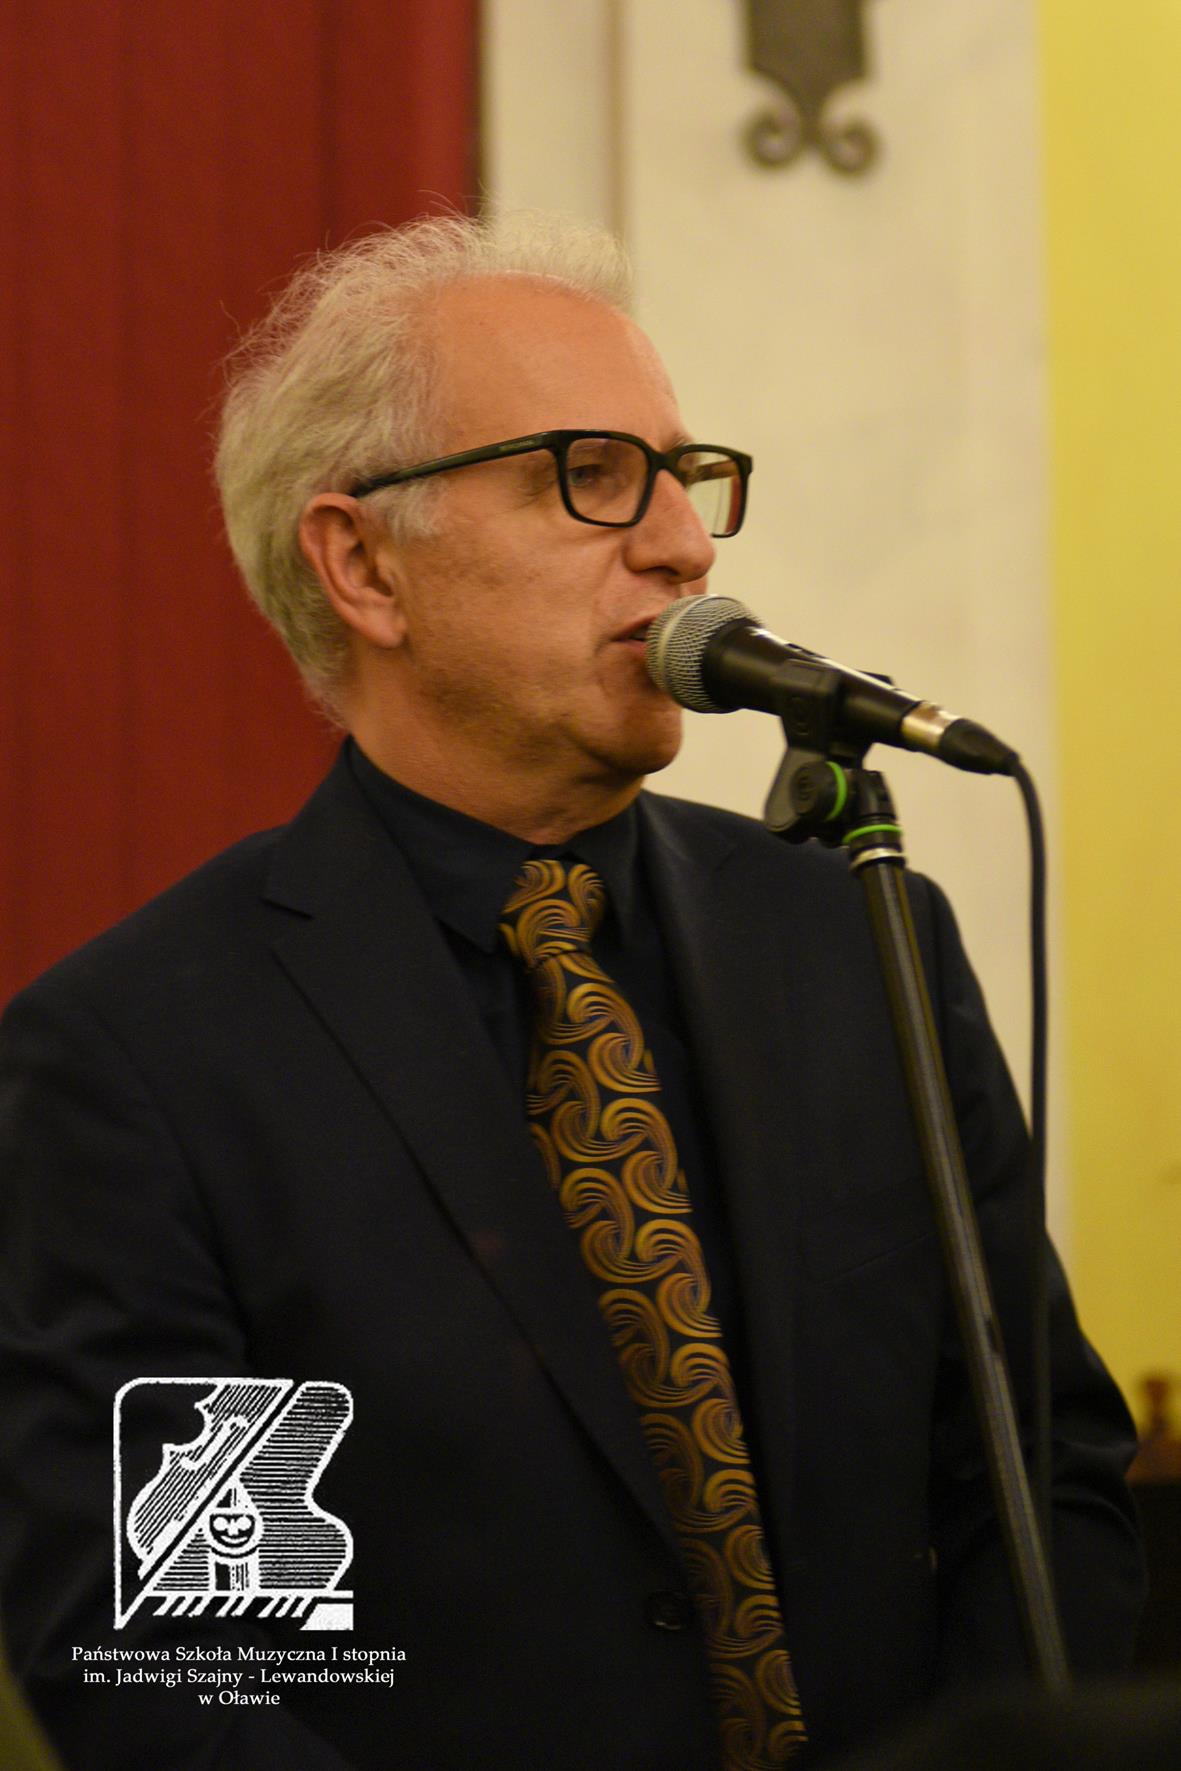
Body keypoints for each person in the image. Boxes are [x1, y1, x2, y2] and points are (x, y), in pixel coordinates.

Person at [0, 213, 1145, 1771]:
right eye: (588, 475)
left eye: (684, 475)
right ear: (363, 564)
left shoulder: (857, 938)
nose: (683, 545)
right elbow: (190, 1659)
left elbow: (1039, 1476)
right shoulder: (149, 1055)